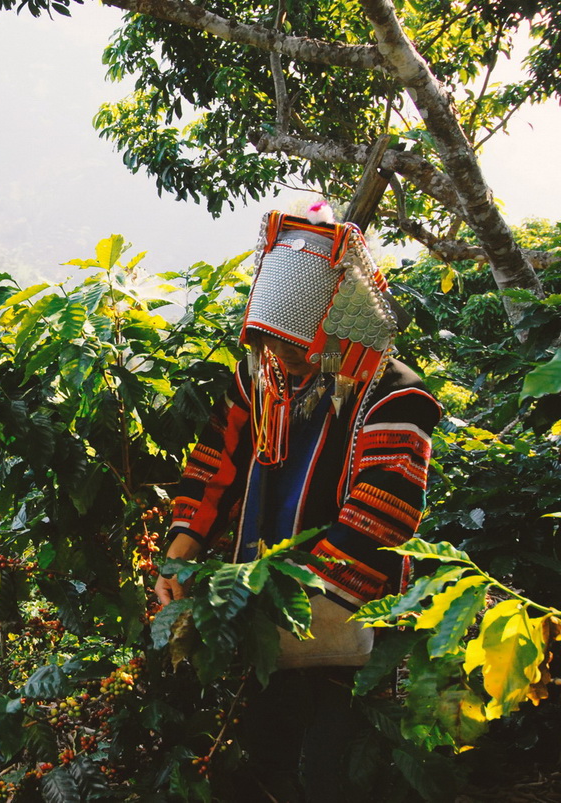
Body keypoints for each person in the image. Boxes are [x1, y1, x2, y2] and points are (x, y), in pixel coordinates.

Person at [154, 205, 442, 799]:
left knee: (333, 767)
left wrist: (278, 596)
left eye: (295, 344)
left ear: (339, 322)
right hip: (261, 605)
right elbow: (214, 469)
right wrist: (178, 561)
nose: (280, 358)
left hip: (345, 612)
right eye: (272, 343)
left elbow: (382, 511)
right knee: (267, 753)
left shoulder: (395, 395)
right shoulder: (258, 379)